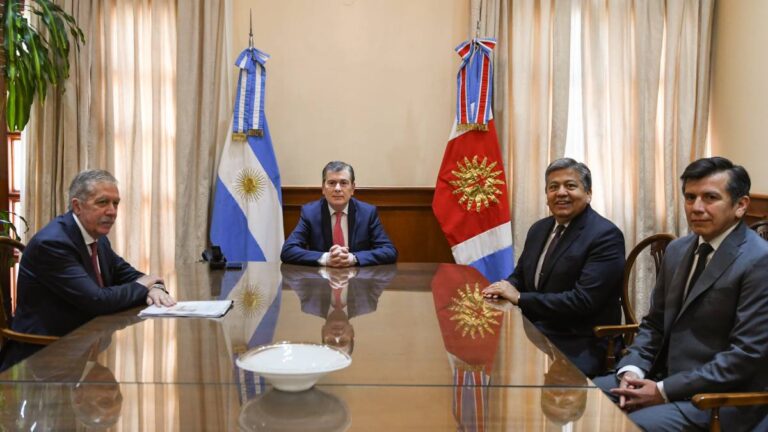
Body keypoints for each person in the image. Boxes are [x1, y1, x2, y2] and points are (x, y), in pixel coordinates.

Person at [593, 157, 768, 432]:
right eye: (690, 197)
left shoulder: (759, 260)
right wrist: (632, 370)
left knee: (625, 426)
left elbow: (745, 356)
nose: (697, 208)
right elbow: (654, 324)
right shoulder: (678, 250)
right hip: (661, 379)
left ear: (741, 205)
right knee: (581, 396)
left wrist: (662, 391)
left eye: (710, 197)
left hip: (718, 401)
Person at [0, 169, 176, 371]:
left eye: (115, 203)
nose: (112, 211)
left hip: (85, 343)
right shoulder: (53, 243)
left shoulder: (97, 239)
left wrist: (155, 288)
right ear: (77, 206)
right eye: (102, 202)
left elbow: (129, 275)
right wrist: (145, 284)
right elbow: (97, 301)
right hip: (45, 356)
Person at [482, 158, 625, 376]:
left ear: (588, 193)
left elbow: (583, 302)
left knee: (516, 371)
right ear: (547, 196)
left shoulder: (605, 235)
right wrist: (503, 287)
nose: (561, 193)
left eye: (570, 185)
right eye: (553, 187)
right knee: (489, 357)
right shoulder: (539, 229)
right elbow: (520, 275)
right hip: (537, 331)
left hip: (581, 340)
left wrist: (519, 298)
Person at [280, 161, 397, 266]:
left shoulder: (367, 213)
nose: (337, 188)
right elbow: (288, 251)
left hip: (358, 283)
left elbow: (389, 251)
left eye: (343, 183)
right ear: (323, 188)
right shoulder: (310, 213)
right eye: (331, 183)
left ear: (353, 188)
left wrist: (354, 258)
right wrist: (325, 258)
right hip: (320, 283)